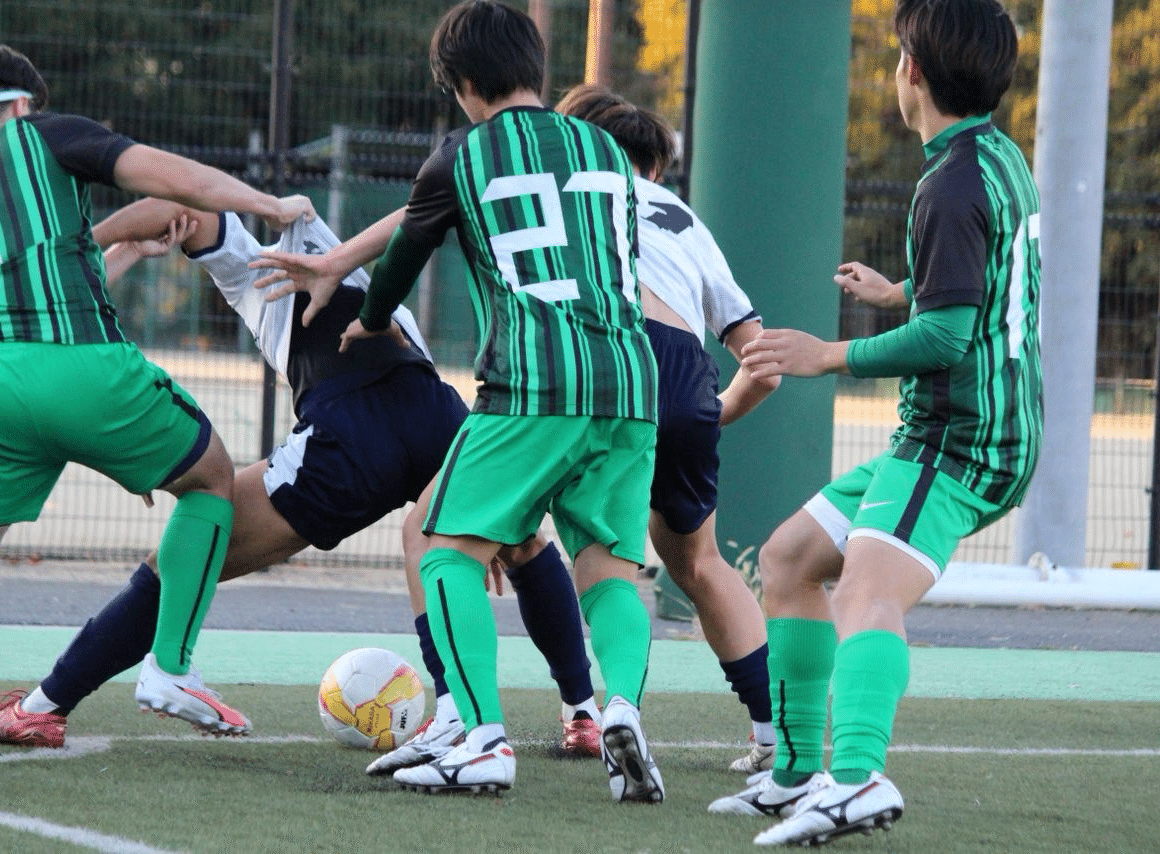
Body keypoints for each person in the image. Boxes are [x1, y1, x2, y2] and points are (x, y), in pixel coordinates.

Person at [0, 197, 603, 762]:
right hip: (435, 412)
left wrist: (84, 246)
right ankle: (581, 713)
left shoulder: (247, 258)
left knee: (187, 559)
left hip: (349, 436)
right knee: (523, 543)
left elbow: (174, 206)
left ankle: (45, 707)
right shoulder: (343, 245)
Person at [257, 0, 663, 802]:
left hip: (536, 381)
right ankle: (619, 706)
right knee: (609, 565)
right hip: (630, 378)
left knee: (444, 548)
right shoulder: (608, 149)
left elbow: (410, 248)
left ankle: (480, 737)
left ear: (461, 83)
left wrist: (371, 324)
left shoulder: (461, 154)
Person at [709, 0, 1042, 844]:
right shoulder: (996, 158)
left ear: (915, 73)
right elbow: (979, 292)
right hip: (958, 429)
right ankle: (794, 777)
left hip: (960, 438)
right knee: (788, 559)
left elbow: (948, 336)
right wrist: (901, 291)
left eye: (899, 55)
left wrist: (826, 354)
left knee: (864, 591)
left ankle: (855, 779)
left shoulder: (950, 183)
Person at [0, 43, 314, 737]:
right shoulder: (40, 133)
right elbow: (170, 176)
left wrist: (122, 252)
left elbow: (44, 270)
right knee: (211, 479)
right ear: (23, 105)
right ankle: (172, 666)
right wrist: (267, 202)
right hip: (79, 367)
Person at [553, 84, 781, 773]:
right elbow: (764, 366)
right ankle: (775, 736)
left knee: (544, 546)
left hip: (600, 355)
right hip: (685, 368)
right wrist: (709, 416)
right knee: (697, 563)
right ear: (651, 168)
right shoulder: (681, 215)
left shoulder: (556, 192)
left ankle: (568, 711)